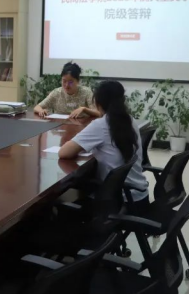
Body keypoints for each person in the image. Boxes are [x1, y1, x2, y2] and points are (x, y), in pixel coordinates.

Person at [59, 80, 149, 210]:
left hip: (118, 204)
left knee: (61, 206)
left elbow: (63, 152)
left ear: (98, 103)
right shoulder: (130, 120)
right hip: (138, 197)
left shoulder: (101, 125)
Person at [34, 62, 100, 119]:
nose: (67, 85)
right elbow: (37, 107)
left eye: (70, 82)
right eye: (64, 81)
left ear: (78, 81)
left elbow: (98, 113)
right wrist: (41, 111)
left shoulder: (86, 92)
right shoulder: (56, 93)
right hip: (60, 126)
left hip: (81, 125)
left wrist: (84, 109)